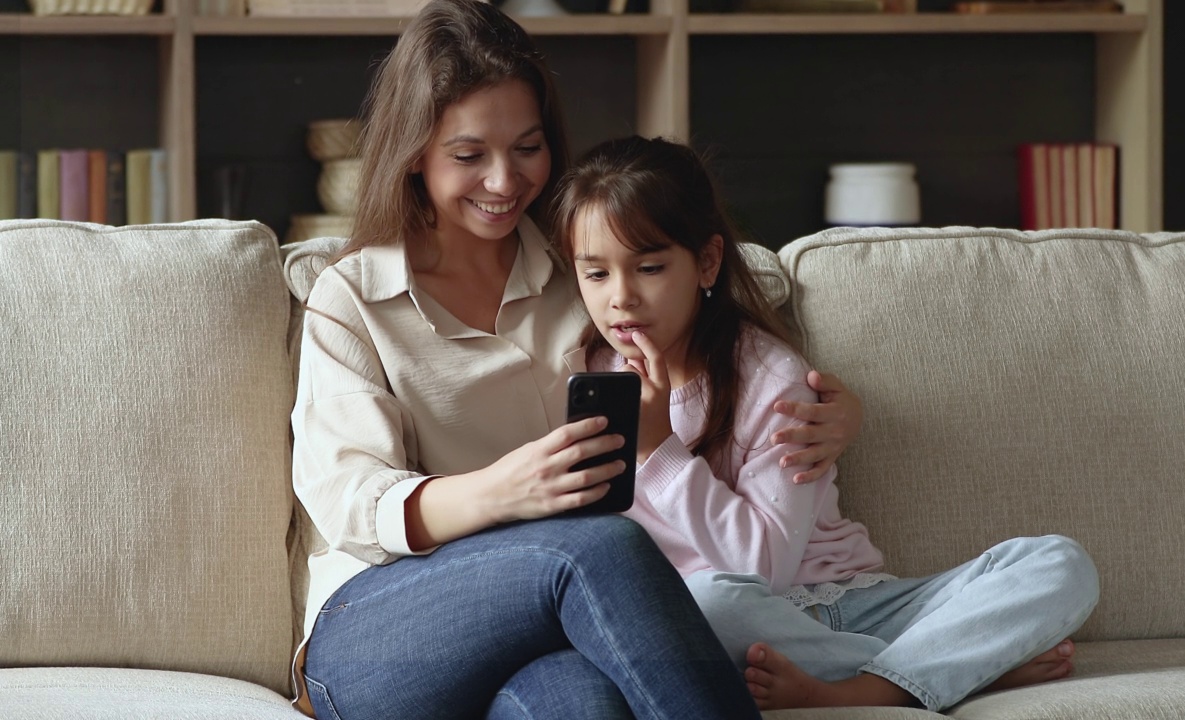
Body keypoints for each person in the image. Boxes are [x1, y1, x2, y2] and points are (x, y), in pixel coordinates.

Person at [289, 2, 862, 719]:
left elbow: (714, 325)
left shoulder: (588, 272)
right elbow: (352, 501)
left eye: (527, 148)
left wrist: (833, 408)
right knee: (597, 548)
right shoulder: (353, 300)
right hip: (384, 630)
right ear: (415, 155)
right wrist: (505, 491)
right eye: (469, 156)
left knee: (583, 702)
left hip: (552, 631)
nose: (505, 181)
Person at [549, 134, 1101, 714]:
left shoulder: (771, 376)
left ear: (707, 261)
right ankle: (954, 667)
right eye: (596, 275)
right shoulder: (586, 377)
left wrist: (660, 451)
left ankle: (876, 686)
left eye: (651, 267)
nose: (622, 299)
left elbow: (763, 565)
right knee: (699, 605)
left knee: (1061, 564)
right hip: (733, 618)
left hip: (854, 603)